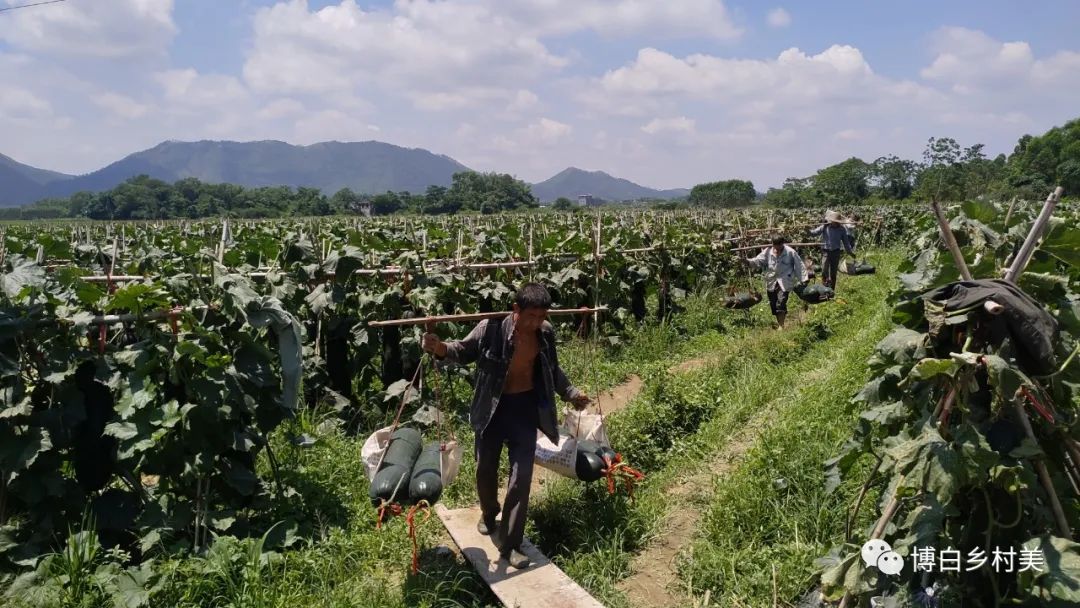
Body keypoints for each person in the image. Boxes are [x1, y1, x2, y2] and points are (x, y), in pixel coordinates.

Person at [421, 283, 590, 570]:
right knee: (485, 469)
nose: (537, 323)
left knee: (521, 477)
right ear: (516, 310)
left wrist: (571, 392)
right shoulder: (491, 329)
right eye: (531, 316)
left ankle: (511, 544)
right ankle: (489, 514)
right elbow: (462, 351)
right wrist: (438, 348)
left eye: (542, 316)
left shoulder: (545, 334)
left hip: (525, 411)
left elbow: (552, 370)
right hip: (491, 410)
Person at [744, 235, 808, 328]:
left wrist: (804, 279)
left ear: (782, 244)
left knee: (781, 302)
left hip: (784, 280)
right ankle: (779, 323)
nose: (777, 249)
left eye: (779, 247)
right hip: (771, 280)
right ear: (773, 244)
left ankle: (781, 326)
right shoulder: (768, 251)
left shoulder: (790, 252)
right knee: (773, 303)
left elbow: (799, 265)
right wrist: (747, 262)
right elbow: (758, 261)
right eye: (775, 247)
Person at [809, 210, 854, 289]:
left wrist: (850, 252)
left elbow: (846, 243)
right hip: (826, 252)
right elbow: (813, 233)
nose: (835, 223)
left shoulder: (842, 229)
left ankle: (832, 289)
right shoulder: (825, 227)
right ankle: (824, 288)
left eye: (837, 222)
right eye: (834, 221)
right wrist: (807, 230)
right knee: (824, 270)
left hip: (836, 252)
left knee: (833, 272)